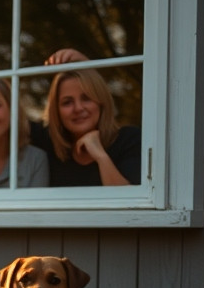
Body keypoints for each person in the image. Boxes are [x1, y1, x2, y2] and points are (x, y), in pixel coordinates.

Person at [31, 49, 141, 186]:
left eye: (86, 98)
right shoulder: (48, 142)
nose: (78, 108)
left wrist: (100, 155)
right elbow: (7, 122)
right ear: (56, 110)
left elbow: (129, 203)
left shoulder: (129, 140)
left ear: (101, 101)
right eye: (67, 102)